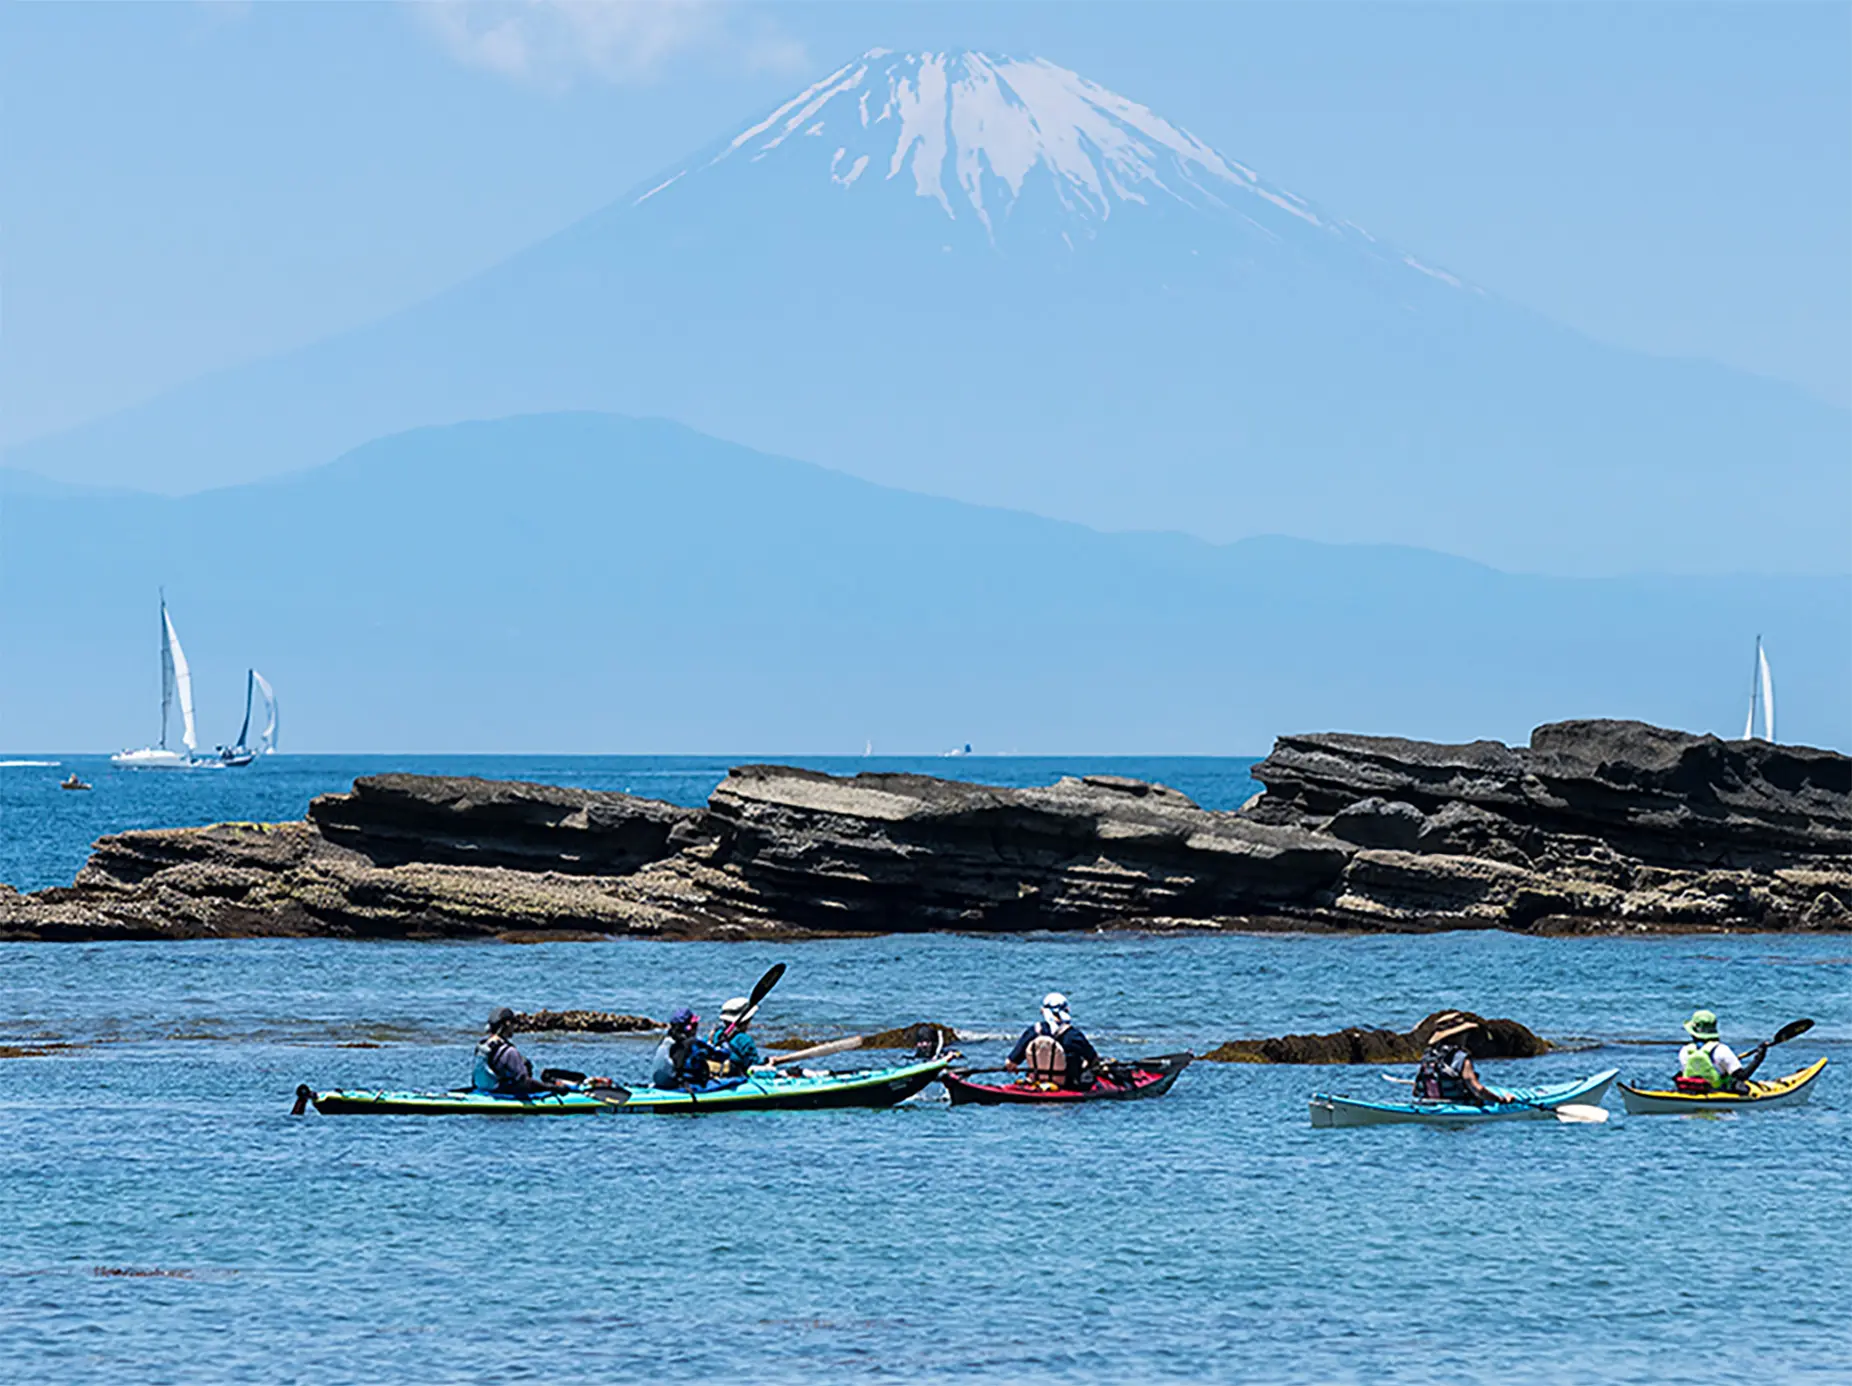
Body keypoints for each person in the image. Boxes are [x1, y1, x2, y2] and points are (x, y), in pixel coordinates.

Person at [1005, 992, 1100, 1089]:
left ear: (1043, 1011)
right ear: (1067, 1010)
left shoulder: (1033, 1032)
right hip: (1068, 1085)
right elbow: (1094, 1060)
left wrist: (1014, 1068)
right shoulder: (1074, 1035)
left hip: (1036, 1083)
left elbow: (1010, 1064)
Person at [472, 1007, 574, 1096]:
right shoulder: (509, 1052)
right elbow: (526, 1083)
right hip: (502, 1092)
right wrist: (551, 1088)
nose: (514, 1027)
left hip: (484, 1089)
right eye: (513, 1023)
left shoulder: (482, 1046)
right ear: (507, 1024)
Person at [1413, 1015, 1505, 1106]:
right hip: (1460, 1106)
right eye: (1465, 1033)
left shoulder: (1429, 1055)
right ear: (1457, 1036)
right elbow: (1477, 1090)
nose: (1467, 1036)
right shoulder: (1461, 1057)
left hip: (1429, 1103)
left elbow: (1415, 1092)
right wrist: (1500, 1100)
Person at [1677, 1009, 1765, 1093]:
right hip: (1719, 1092)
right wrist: (1758, 1058)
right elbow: (1742, 1076)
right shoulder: (1722, 1050)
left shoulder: (1685, 1051)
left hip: (1691, 1091)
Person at [651, 1008, 720, 1090]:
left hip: (660, 1082)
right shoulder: (691, 1043)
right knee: (734, 1081)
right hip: (676, 1084)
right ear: (689, 1028)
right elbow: (721, 1055)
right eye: (695, 1025)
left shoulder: (668, 1040)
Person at [708, 996, 763, 1078]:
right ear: (747, 1020)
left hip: (716, 1076)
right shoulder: (744, 1040)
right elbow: (754, 1066)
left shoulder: (715, 1034)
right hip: (736, 1078)